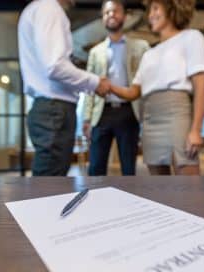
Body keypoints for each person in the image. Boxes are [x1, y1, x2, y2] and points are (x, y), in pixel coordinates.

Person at [109, 0, 204, 175]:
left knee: (189, 186)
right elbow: (133, 92)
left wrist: (196, 130)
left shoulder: (191, 37)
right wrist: (106, 85)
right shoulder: (149, 54)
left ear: (171, 9)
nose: (150, 15)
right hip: (149, 121)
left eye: (156, 9)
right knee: (158, 186)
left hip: (176, 115)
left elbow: (201, 86)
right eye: (149, 11)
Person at [18, 0, 110, 176]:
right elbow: (55, 67)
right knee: (48, 186)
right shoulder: (49, 9)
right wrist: (95, 82)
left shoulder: (37, 9)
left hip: (50, 110)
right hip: (55, 111)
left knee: (49, 180)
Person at [82, 0, 150, 176]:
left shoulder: (140, 47)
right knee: (96, 167)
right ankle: (96, 202)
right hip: (101, 112)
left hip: (129, 111)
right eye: (106, 13)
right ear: (103, 19)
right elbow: (90, 87)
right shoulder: (95, 52)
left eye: (115, 11)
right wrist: (86, 118)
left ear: (125, 16)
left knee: (129, 168)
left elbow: (146, 83)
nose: (111, 15)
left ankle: (129, 203)